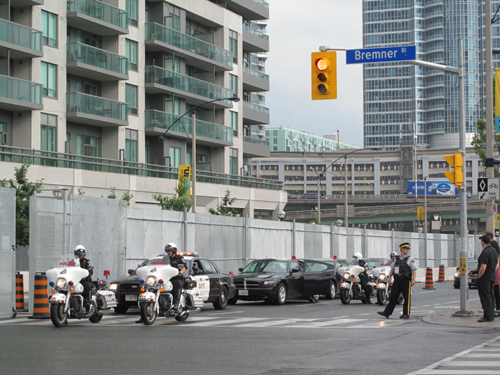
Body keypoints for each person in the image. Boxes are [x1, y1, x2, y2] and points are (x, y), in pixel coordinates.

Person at [136, 242, 187, 323]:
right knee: (144, 286)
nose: (168, 252)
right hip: (165, 279)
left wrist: (180, 273)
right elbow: (159, 268)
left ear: (174, 250)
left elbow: (184, 268)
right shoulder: (164, 259)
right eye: (167, 250)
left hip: (175, 278)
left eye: (169, 250)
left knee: (177, 283)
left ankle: (176, 304)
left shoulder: (179, 258)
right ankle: (143, 315)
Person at [377, 242, 417, 319]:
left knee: (406, 297)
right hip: (397, 280)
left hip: (405, 280)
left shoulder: (409, 259)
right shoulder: (396, 259)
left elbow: (414, 270)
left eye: (408, 249)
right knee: (393, 297)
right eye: (406, 249)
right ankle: (387, 312)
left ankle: (406, 313)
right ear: (402, 249)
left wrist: (413, 279)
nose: (407, 250)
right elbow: (392, 269)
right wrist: (389, 278)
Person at [474, 235, 498, 322]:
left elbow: (483, 267)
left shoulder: (485, 252)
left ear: (483, 242)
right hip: (492, 276)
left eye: (481, 241)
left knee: (485, 297)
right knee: (490, 296)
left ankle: (487, 316)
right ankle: (490, 314)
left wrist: (479, 277)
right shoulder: (494, 251)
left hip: (485, 278)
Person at [74, 245, 93, 312]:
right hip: (75, 281)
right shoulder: (72, 262)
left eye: (81, 255)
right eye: (79, 255)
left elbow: (90, 270)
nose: (80, 256)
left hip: (84, 280)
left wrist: (87, 273)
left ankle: (88, 302)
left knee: (87, 286)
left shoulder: (86, 262)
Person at [491, 240, 500, 318]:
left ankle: (494, 311)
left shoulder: (495, 255)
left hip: (495, 276)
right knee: (498, 295)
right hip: (499, 277)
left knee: (493, 295)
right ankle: (498, 310)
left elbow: (497, 267)